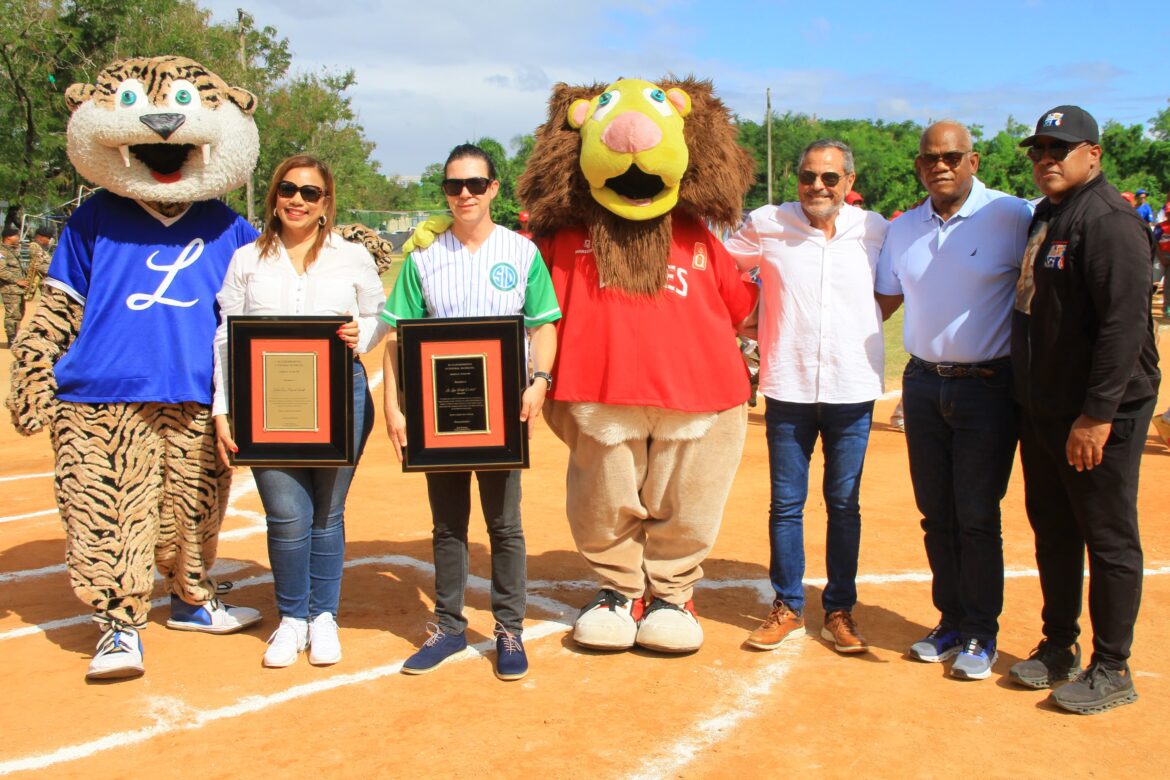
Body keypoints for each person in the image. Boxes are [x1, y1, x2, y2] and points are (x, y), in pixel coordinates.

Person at [382, 144, 560, 681]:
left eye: (476, 184)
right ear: (445, 191)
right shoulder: (423, 257)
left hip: (504, 412)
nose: (465, 194)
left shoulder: (521, 252)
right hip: (438, 415)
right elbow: (397, 338)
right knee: (447, 524)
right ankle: (449, 626)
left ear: (493, 189)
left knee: (505, 525)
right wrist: (394, 407)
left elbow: (544, 325)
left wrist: (540, 382)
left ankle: (509, 629)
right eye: (454, 185)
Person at [1010, 105, 1160, 714]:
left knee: (1107, 533)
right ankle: (1058, 646)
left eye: (1060, 149)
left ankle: (1113, 666)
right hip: (1046, 405)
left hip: (1099, 413)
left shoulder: (1110, 222)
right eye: (1039, 150)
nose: (1046, 159)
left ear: (1092, 155)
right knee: (1054, 529)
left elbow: (1125, 328)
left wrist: (1097, 415)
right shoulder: (1050, 213)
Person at [212, 155, 388, 668]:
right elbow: (226, 336)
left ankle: (324, 616)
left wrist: (362, 333)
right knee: (287, 516)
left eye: (310, 193)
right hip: (266, 403)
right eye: (288, 189)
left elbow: (379, 315)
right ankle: (292, 619)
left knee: (328, 516)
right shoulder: (246, 259)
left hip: (340, 397)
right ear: (274, 196)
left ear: (325, 202)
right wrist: (223, 407)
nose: (297, 200)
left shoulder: (351, 257)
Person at [875, 121, 1033, 680]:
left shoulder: (1011, 216)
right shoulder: (903, 229)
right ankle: (949, 621)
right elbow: (882, 301)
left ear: (973, 161)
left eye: (951, 156)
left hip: (988, 387)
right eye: (930, 158)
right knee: (936, 514)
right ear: (919, 165)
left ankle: (980, 633)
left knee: (977, 515)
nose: (940, 166)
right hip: (922, 385)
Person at [726, 139, 888, 655]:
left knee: (844, 504)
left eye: (830, 177)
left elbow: (894, 288)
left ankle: (839, 610)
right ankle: (789, 606)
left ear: (848, 182)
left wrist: (863, 322)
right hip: (788, 385)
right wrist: (745, 315)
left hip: (852, 387)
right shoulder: (767, 223)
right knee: (786, 504)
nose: (818, 186)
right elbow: (722, 267)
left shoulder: (875, 230)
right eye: (808, 176)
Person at [0, 227, 27, 344]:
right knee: (12, 315)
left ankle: (15, 335)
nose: (18, 238)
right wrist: (17, 280)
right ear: (8, 237)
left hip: (18, 289)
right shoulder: (1, 252)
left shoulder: (12, 251)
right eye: (16, 236)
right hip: (9, 289)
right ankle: (11, 339)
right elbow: (1, 271)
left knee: (19, 313)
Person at [24, 226, 54, 302]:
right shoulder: (34, 246)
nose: (49, 241)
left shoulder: (41, 248)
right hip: (40, 278)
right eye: (48, 238)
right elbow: (37, 265)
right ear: (41, 238)